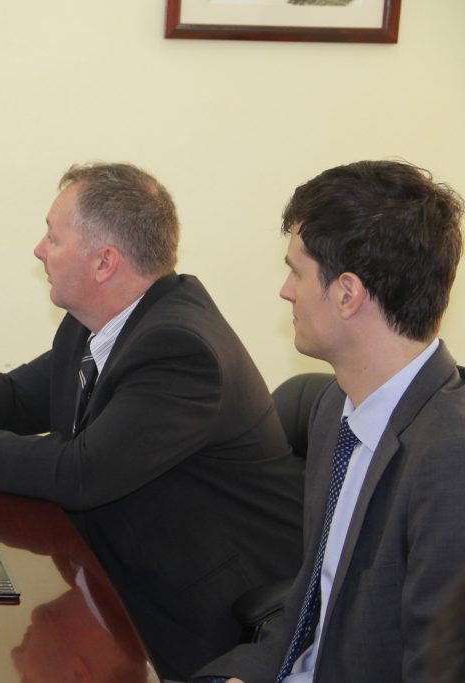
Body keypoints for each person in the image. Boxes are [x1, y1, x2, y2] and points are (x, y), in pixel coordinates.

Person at [0, 162, 304, 680]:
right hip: (114, 564)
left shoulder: (180, 348)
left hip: (193, 609)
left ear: (104, 262)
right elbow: (24, 394)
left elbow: (80, 473)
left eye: (53, 237)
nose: (39, 250)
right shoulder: (102, 322)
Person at [192, 160, 465, 683]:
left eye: (297, 271)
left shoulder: (449, 460)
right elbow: (310, 611)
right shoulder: (334, 407)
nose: (285, 290)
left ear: (346, 293)